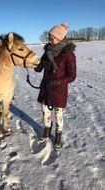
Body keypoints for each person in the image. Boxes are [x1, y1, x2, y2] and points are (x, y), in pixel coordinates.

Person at [34, 23, 76, 151]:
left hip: (59, 90)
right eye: (50, 38)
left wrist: (57, 82)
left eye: (53, 38)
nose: (51, 41)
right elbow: (39, 66)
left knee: (58, 114)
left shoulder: (68, 54)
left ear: (61, 38)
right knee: (45, 110)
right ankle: (46, 133)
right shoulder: (47, 52)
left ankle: (58, 137)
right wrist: (37, 65)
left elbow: (72, 76)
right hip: (46, 87)